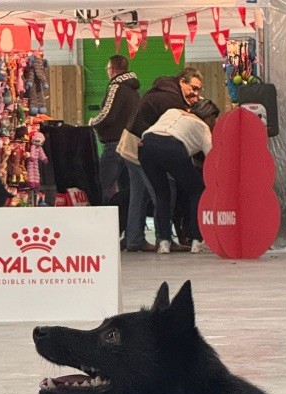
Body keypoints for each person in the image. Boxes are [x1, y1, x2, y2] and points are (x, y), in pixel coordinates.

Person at [123, 67, 205, 253]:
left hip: (130, 143)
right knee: (164, 191)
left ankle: (135, 239)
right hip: (141, 143)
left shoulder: (163, 90)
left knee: (139, 196)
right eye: (193, 88)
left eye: (199, 90)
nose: (195, 93)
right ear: (182, 82)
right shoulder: (172, 101)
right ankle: (163, 238)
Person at [139, 99, 219, 254]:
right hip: (173, 147)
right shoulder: (203, 128)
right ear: (208, 117)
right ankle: (197, 240)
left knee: (162, 194)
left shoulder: (173, 111)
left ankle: (164, 242)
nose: (213, 124)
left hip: (146, 145)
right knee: (197, 190)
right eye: (213, 120)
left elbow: (155, 130)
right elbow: (212, 158)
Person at [89, 54, 139, 203]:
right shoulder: (133, 90)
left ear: (112, 69)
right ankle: (125, 216)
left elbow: (107, 114)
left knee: (101, 185)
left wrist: (92, 123)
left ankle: (101, 215)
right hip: (130, 145)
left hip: (115, 145)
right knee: (127, 190)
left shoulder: (116, 87)